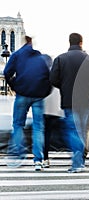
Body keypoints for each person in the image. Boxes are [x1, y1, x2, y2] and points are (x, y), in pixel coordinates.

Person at [50, 33, 89, 173]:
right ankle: (81, 161)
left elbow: (53, 79)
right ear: (81, 42)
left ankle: (77, 164)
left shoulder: (60, 59)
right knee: (83, 131)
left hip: (69, 100)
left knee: (72, 130)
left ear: (69, 42)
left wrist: (64, 86)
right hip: (86, 100)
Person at [4, 35, 52, 171]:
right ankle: (38, 160)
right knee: (38, 128)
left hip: (22, 93)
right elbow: (49, 77)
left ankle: (19, 153)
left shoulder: (17, 55)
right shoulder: (40, 58)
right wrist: (44, 92)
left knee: (18, 125)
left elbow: (7, 72)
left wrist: (14, 86)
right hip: (38, 95)